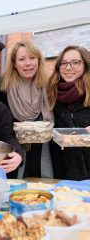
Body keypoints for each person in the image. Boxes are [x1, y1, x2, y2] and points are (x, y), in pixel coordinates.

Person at [0, 40, 53, 178]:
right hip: (14, 161)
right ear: (15, 64)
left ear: (39, 61)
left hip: (46, 159)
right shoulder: (3, 90)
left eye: (32, 58)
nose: (28, 63)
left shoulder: (51, 88)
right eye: (22, 59)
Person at [48, 45, 90, 180]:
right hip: (63, 178)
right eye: (64, 63)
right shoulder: (51, 95)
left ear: (85, 65)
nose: (68, 67)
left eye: (75, 62)